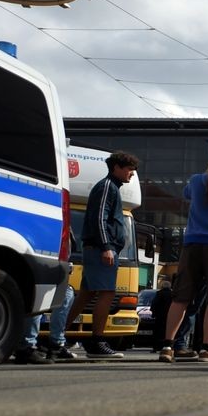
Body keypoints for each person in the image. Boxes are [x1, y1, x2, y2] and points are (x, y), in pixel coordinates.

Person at [62, 151, 140, 358]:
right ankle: (96, 342)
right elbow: (99, 218)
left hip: (97, 249)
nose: (131, 174)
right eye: (129, 170)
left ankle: (57, 338)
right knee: (106, 293)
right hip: (101, 249)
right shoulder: (107, 187)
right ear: (117, 168)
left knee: (85, 296)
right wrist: (106, 246)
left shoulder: (110, 187)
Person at [159, 162, 208, 363]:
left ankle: (167, 346)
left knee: (180, 298)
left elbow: (186, 193)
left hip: (192, 244)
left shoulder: (196, 180)